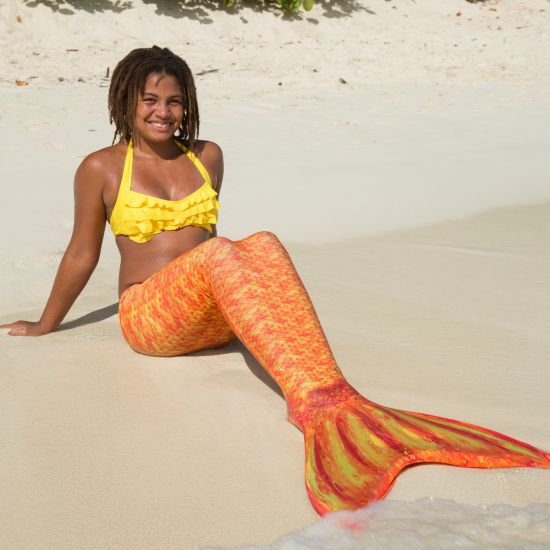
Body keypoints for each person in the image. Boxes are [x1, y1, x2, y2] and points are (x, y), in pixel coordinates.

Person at [2, 46, 549, 515]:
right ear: (126, 102)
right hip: (151, 320)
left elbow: (216, 247)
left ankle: (337, 399)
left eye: (174, 101)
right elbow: (82, 252)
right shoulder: (100, 167)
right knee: (222, 251)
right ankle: (317, 409)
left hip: (208, 315)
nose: (163, 112)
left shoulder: (207, 157)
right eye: (150, 100)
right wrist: (47, 324)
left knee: (260, 241)